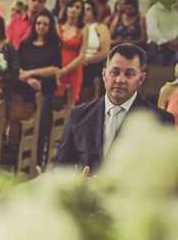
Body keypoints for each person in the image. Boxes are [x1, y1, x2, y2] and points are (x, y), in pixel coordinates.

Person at [53, 43, 175, 174]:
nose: (120, 79)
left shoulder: (160, 120)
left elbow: (163, 174)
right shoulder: (78, 115)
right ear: (104, 74)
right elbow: (61, 168)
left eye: (129, 74)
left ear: (141, 79)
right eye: (115, 72)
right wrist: (76, 184)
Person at [16, 12, 63, 164]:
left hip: (45, 89)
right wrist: (29, 78)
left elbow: (55, 68)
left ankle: (36, 161)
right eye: (38, 23)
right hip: (24, 88)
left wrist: (31, 73)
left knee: (40, 124)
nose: (41, 27)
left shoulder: (54, 44)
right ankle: (21, 159)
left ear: (50, 27)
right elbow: (17, 66)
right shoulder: (25, 43)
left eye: (45, 24)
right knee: (22, 123)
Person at [57, 0, 89, 102]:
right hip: (56, 70)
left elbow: (82, 55)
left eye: (77, 7)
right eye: (71, 6)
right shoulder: (57, 27)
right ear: (66, 9)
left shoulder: (84, 30)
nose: (73, 9)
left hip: (73, 71)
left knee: (70, 106)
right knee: (54, 104)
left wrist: (65, 70)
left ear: (81, 12)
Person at [82, 0, 112, 95]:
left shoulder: (100, 27)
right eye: (83, 9)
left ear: (94, 11)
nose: (85, 11)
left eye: (88, 9)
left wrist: (87, 60)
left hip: (93, 62)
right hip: (76, 61)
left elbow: (105, 52)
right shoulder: (77, 27)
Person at [145, 0, 178, 66]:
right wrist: (167, 43)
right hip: (158, 49)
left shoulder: (175, 11)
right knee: (156, 75)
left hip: (173, 49)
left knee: (170, 75)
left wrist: (176, 40)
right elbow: (152, 31)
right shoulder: (154, 10)